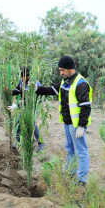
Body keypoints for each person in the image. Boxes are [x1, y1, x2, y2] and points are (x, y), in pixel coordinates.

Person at [35, 56, 92, 185]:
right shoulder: (65, 81)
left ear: (70, 68)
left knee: (81, 152)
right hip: (67, 123)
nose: (60, 72)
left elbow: (85, 106)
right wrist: (37, 89)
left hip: (76, 125)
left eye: (62, 70)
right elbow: (53, 90)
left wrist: (81, 126)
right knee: (70, 148)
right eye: (60, 70)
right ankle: (71, 172)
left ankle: (82, 180)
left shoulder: (80, 83)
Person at [7, 66, 45, 153]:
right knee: (19, 122)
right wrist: (9, 91)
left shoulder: (34, 84)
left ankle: (41, 143)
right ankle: (18, 142)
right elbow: (17, 89)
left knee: (32, 124)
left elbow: (30, 100)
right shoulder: (22, 81)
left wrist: (16, 105)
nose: (21, 79)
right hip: (25, 105)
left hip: (34, 105)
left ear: (28, 76)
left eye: (23, 77)